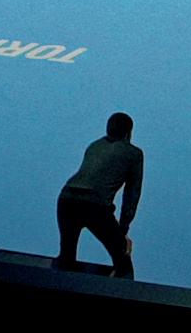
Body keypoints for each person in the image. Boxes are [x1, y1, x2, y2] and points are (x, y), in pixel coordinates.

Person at [55, 112, 143, 276]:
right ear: (128, 133)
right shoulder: (134, 153)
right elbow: (132, 194)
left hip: (67, 199)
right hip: (94, 205)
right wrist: (123, 231)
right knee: (123, 262)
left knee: (66, 259)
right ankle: (125, 289)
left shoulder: (94, 146)